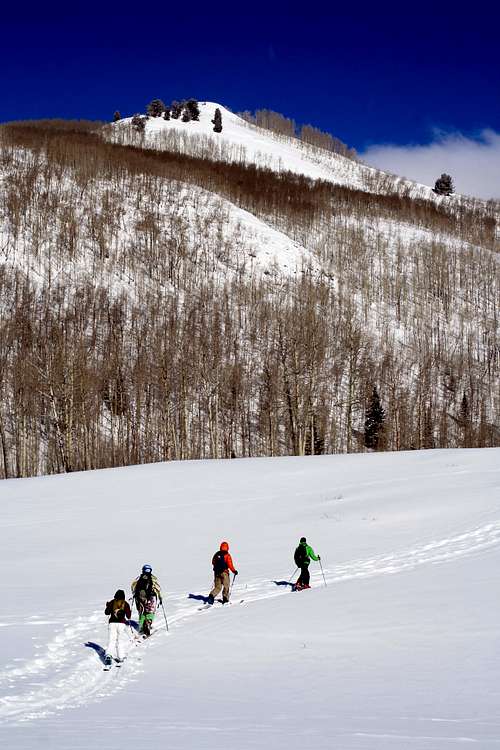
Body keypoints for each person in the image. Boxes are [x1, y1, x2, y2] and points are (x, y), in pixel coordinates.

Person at [131, 564, 162, 637]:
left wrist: (135, 594)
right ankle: (148, 624)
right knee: (150, 611)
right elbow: (158, 588)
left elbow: (133, 586)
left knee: (141, 612)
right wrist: (160, 597)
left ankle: (141, 627)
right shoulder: (153, 578)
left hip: (139, 597)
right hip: (151, 597)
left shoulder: (138, 578)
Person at [104, 589, 132, 666]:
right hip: (121, 624)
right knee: (120, 640)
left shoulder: (112, 602)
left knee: (111, 640)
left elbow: (106, 613)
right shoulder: (125, 603)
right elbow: (128, 616)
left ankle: (108, 656)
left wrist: (107, 606)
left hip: (112, 623)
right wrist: (129, 611)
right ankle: (121, 656)